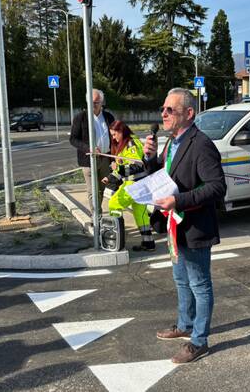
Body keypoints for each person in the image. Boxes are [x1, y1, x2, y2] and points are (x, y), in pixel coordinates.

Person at [143, 88, 226, 364]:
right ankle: (184, 324)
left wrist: (177, 200)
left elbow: (217, 187)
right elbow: (164, 176)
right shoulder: (173, 141)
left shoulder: (201, 144)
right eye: (163, 109)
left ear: (189, 113)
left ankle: (199, 341)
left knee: (199, 284)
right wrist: (150, 159)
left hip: (194, 225)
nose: (164, 114)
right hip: (174, 225)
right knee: (181, 280)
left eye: (170, 110)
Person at [102, 120, 154, 252]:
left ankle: (117, 240)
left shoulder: (129, 143)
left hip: (134, 183)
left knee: (114, 204)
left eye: (114, 134)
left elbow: (136, 165)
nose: (113, 138)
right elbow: (127, 165)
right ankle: (148, 243)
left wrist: (114, 174)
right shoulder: (131, 142)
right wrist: (112, 174)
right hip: (142, 183)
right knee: (140, 213)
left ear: (121, 131)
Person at [69, 89, 114, 214]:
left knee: (101, 189)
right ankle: (96, 218)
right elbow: (73, 139)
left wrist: (114, 158)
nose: (93, 105)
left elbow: (116, 137)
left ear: (102, 102)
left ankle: (96, 212)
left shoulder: (108, 117)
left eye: (96, 102)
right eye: (91, 102)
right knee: (92, 191)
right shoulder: (81, 117)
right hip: (89, 160)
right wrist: (88, 148)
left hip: (105, 158)